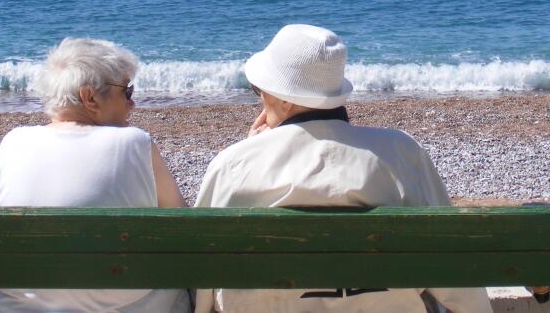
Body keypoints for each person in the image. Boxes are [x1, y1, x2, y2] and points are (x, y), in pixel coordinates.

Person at [195, 24, 493, 313]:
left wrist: (250, 153)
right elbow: (455, 263)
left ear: (284, 101)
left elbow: (198, 277)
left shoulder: (233, 165)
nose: (259, 98)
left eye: (258, 90)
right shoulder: (402, 151)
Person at [0, 37, 189, 313]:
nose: (132, 103)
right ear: (89, 97)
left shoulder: (14, 142)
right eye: (127, 91)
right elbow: (183, 230)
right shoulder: (136, 143)